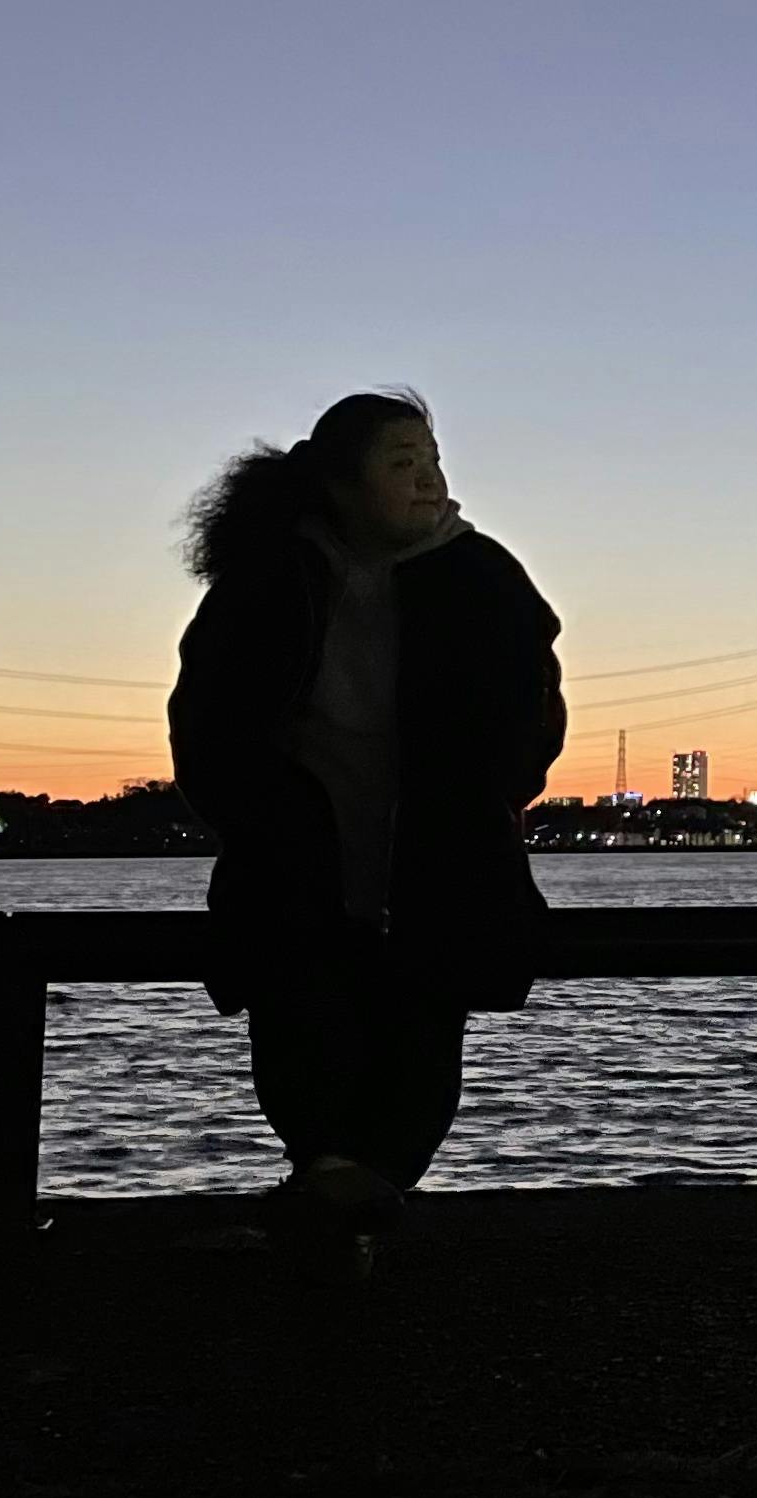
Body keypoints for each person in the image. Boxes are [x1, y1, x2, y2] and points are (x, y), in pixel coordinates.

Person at [168, 391, 565, 1256]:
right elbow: (207, 728)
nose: (428, 481)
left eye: (433, 461)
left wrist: (483, 800)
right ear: (340, 484)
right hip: (294, 876)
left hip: (438, 871)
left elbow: (535, 718)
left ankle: (331, 1219)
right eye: (401, 463)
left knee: (416, 1065)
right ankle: (341, 1224)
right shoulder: (270, 583)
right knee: (305, 1050)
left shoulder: (483, 577)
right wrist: (262, 820)